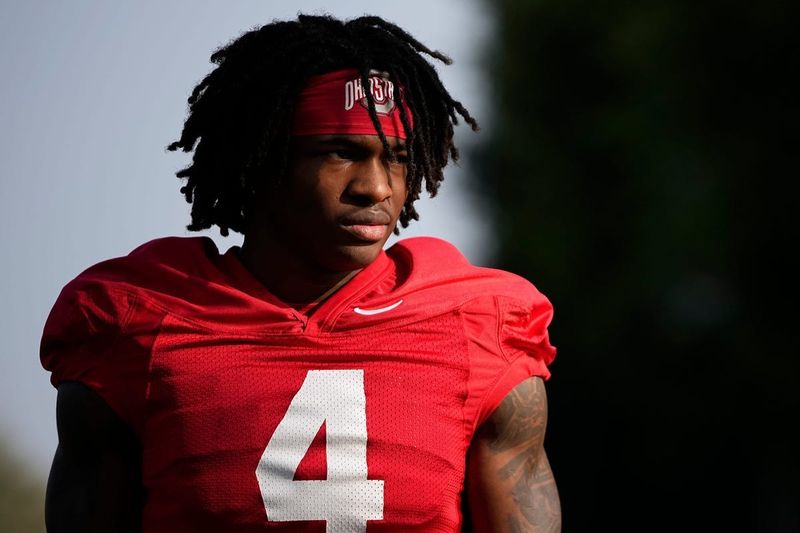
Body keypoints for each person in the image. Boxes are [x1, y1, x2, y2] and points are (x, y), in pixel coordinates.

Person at [41, 14, 560, 533]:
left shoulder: (481, 322)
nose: (377, 188)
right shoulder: (135, 320)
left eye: (397, 158)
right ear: (261, 159)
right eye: (341, 153)